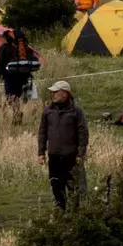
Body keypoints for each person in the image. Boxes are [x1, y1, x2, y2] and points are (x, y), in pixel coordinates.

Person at [36, 80, 88, 209]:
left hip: (71, 157)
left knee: (73, 187)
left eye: (55, 92)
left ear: (65, 94)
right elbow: (42, 132)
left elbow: (83, 133)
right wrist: (41, 152)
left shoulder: (76, 111)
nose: (52, 95)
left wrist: (81, 153)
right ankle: (61, 213)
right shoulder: (48, 111)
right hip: (54, 156)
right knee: (56, 186)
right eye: (52, 92)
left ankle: (75, 214)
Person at [0, 27, 41, 114]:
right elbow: (34, 60)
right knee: (18, 95)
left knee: (10, 96)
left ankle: (16, 113)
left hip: (9, 76)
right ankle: (19, 112)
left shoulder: (4, 48)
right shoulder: (27, 48)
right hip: (23, 76)